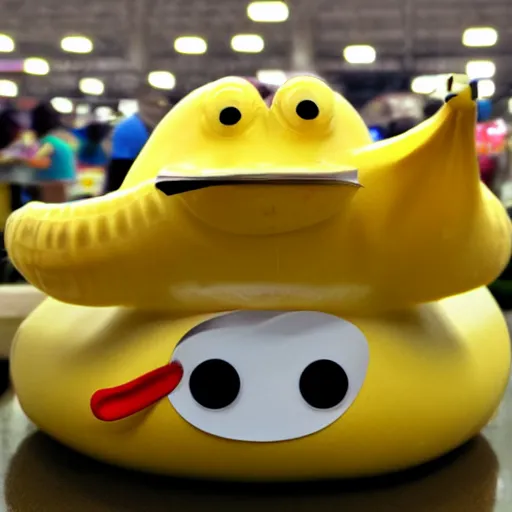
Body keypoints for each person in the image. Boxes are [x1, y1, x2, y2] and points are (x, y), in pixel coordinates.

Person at [105, 86, 171, 193]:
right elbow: (120, 168)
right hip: (128, 185)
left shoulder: (159, 126)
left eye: (160, 105)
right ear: (141, 104)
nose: (156, 109)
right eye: (151, 104)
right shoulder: (128, 128)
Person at [25, 102, 77, 203]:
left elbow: (35, 159)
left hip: (54, 182)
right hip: (67, 180)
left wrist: (18, 159)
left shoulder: (47, 142)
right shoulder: (59, 138)